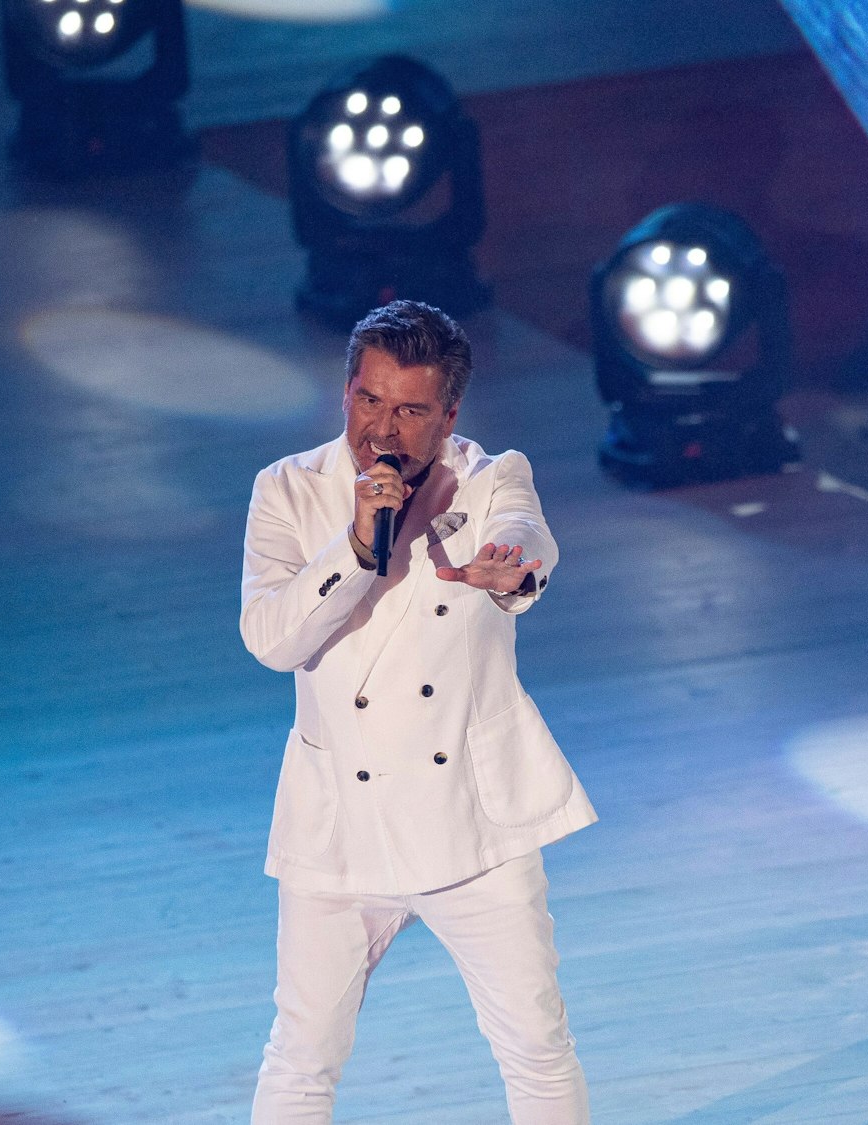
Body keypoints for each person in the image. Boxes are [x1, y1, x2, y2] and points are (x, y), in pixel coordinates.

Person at [239, 300, 597, 1124]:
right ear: (346, 391)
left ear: (449, 413)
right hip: (341, 821)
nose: (381, 430)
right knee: (301, 1055)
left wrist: (513, 569)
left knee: (537, 1048)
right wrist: (359, 547)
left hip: (471, 819)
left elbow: (525, 536)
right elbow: (270, 639)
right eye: (368, 400)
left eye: (409, 410)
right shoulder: (288, 491)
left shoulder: (491, 476)